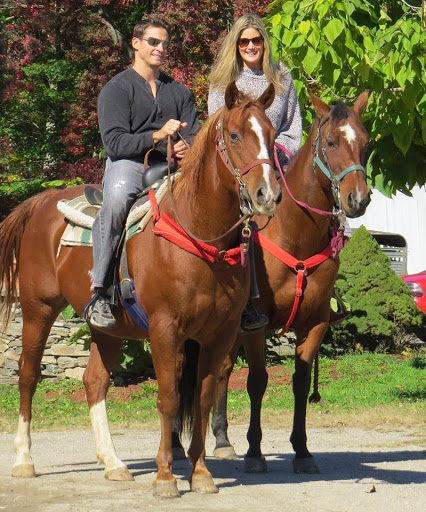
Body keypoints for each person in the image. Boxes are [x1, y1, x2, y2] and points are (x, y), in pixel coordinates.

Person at [90, 16, 200, 329]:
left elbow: (193, 134)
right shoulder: (116, 89)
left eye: (165, 43)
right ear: (136, 44)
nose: (160, 48)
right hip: (128, 164)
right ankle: (101, 292)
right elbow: (114, 142)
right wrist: (157, 136)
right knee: (116, 201)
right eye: (153, 42)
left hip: (172, 166)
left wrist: (185, 147)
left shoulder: (178, 92)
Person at [208, 13, 302, 332]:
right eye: (244, 41)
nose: (250, 46)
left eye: (256, 40)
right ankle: (245, 300)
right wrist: (247, 163)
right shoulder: (223, 82)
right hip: (236, 167)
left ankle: (327, 291)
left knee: (313, 209)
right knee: (237, 222)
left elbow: (292, 130)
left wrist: (271, 155)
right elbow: (216, 131)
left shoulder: (282, 78)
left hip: (277, 162)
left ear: (265, 43)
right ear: (236, 45)